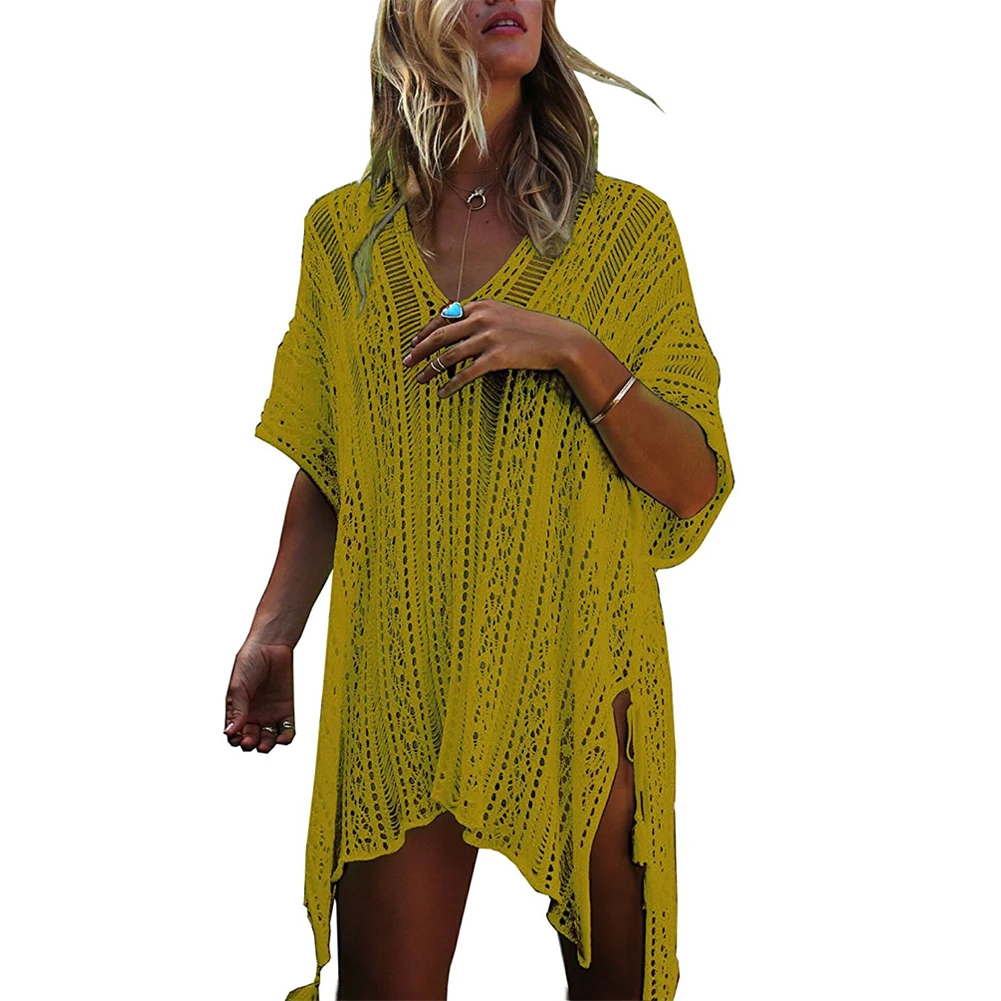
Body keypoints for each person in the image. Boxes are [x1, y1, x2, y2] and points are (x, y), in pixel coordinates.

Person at [224, 1, 735, 999]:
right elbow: (332, 458)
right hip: (399, 672)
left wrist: (572, 350)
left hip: (580, 664)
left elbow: (690, 481)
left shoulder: (627, 232)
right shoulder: (344, 237)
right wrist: (271, 632)